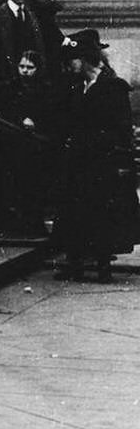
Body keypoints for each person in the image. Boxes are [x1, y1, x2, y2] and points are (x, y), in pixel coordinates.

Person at [53, 30, 139, 280]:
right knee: (75, 211)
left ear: (84, 58)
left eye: (72, 59)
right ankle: (76, 264)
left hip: (102, 162)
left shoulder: (113, 87)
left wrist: (119, 160)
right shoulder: (76, 86)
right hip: (78, 161)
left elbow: (121, 129)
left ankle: (103, 266)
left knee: (102, 213)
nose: (68, 65)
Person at [0, 50, 55, 235]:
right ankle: (15, 224)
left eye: (30, 67)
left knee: (34, 186)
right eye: (22, 66)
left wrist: (36, 122)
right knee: (13, 185)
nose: (25, 71)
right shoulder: (7, 87)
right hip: (12, 144)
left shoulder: (45, 89)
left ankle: (34, 224)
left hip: (35, 146)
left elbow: (52, 114)